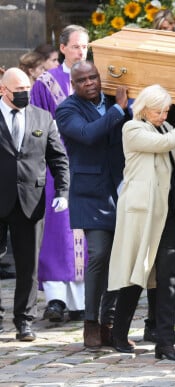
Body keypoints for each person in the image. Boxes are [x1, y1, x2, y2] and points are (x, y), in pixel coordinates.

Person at [108, 84, 175, 360]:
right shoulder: (133, 128)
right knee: (134, 275)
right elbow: (167, 144)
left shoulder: (163, 128)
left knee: (168, 279)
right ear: (143, 109)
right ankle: (119, 332)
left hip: (167, 213)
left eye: (165, 110)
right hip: (143, 213)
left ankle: (165, 342)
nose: (164, 115)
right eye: (159, 110)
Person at [54, 61, 130, 349]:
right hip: (89, 194)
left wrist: (122, 108)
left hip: (121, 188)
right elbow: (87, 135)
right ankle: (90, 323)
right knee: (100, 254)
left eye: (93, 77)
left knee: (118, 258)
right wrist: (118, 111)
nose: (89, 83)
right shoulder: (67, 109)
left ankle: (108, 323)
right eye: (82, 80)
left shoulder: (115, 100)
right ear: (73, 84)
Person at [0, 67, 69, 341]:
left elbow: (58, 158)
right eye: (18, 91)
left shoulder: (43, 116)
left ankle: (24, 320)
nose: (24, 94)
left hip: (30, 198)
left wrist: (62, 191)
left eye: (27, 89)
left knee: (28, 265)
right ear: (3, 90)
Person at [30, 24, 90, 323]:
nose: (81, 52)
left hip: (89, 165)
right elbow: (36, 123)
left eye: (85, 46)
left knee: (86, 231)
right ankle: (56, 298)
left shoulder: (93, 78)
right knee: (58, 233)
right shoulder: (45, 82)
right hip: (56, 165)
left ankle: (82, 299)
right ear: (63, 48)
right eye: (76, 46)